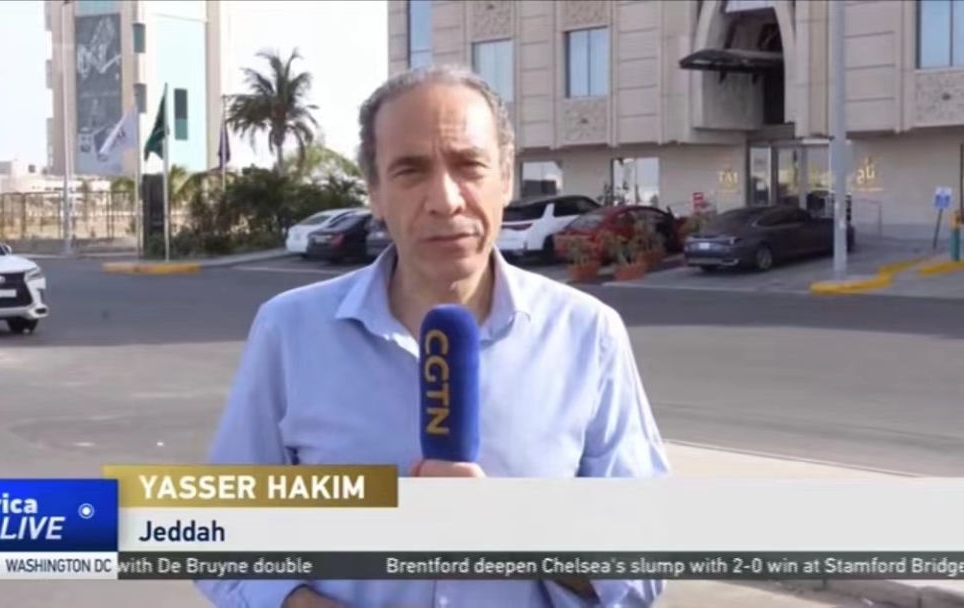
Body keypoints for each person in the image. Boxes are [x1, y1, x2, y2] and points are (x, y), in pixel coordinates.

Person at [197, 65, 670, 608]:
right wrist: (296, 603)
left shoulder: (587, 334)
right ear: (375, 193)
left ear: (505, 178)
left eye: (469, 166)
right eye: (410, 171)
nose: (445, 200)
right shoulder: (290, 330)